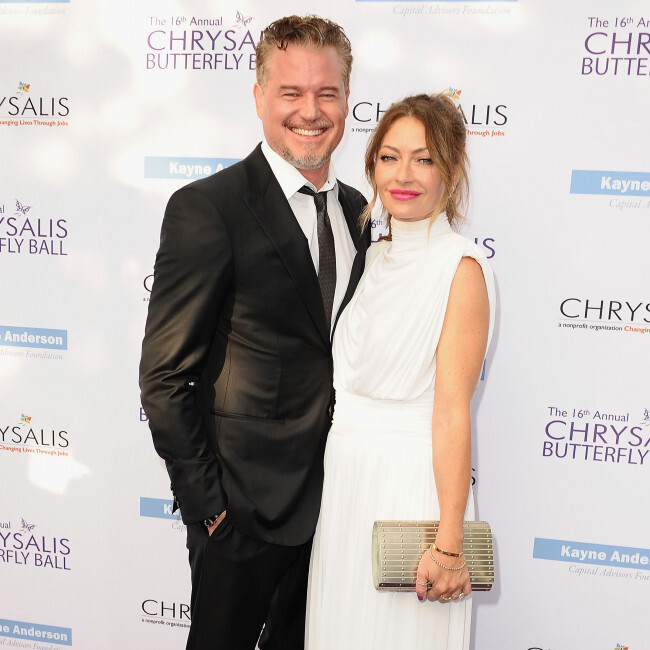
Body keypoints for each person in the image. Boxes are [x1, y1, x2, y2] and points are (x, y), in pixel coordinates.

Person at [139, 15, 370, 650]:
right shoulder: (208, 208)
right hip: (240, 514)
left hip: (334, 510)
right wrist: (210, 509)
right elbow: (164, 376)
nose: (310, 112)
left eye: (326, 93)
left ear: (347, 99)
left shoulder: (359, 210)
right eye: (291, 92)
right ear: (260, 96)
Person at [305, 93, 495, 649]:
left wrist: (449, 544)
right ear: (371, 167)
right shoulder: (373, 255)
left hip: (410, 490)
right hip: (345, 487)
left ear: (450, 171)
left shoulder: (460, 267)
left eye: (424, 159)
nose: (403, 175)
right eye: (389, 157)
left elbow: (451, 414)